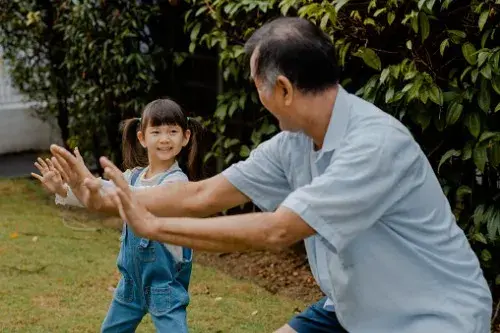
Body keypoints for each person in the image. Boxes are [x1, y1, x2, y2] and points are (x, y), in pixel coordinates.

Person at [49, 17, 492, 333]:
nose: (256, 95)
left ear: (281, 89)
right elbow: (203, 195)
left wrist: (154, 226)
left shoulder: (374, 145)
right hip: (351, 309)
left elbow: (278, 230)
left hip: (431, 316)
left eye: (255, 85)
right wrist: (97, 193)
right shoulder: (293, 143)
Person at [33, 98, 205, 333]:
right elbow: (102, 193)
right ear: (142, 138)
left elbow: (138, 196)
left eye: (172, 131)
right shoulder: (132, 176)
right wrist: (64, 189)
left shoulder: (177, 182)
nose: (165, 139)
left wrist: (95, 179)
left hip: (164, 286)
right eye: (156, 132)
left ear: (185, 137)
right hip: (130, 283)